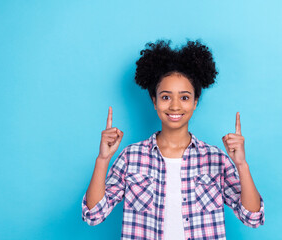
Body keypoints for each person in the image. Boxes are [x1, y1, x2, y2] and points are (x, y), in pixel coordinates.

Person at [81, 40, 265, 240]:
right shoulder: (131, 157)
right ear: (154, 101)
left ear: (195, 102)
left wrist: (241, 165)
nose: (175, 106)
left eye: (184, 98)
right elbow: (93, 215)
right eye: (166, 97)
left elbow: (252, 218)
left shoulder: (215, 159)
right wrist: (102, 159)